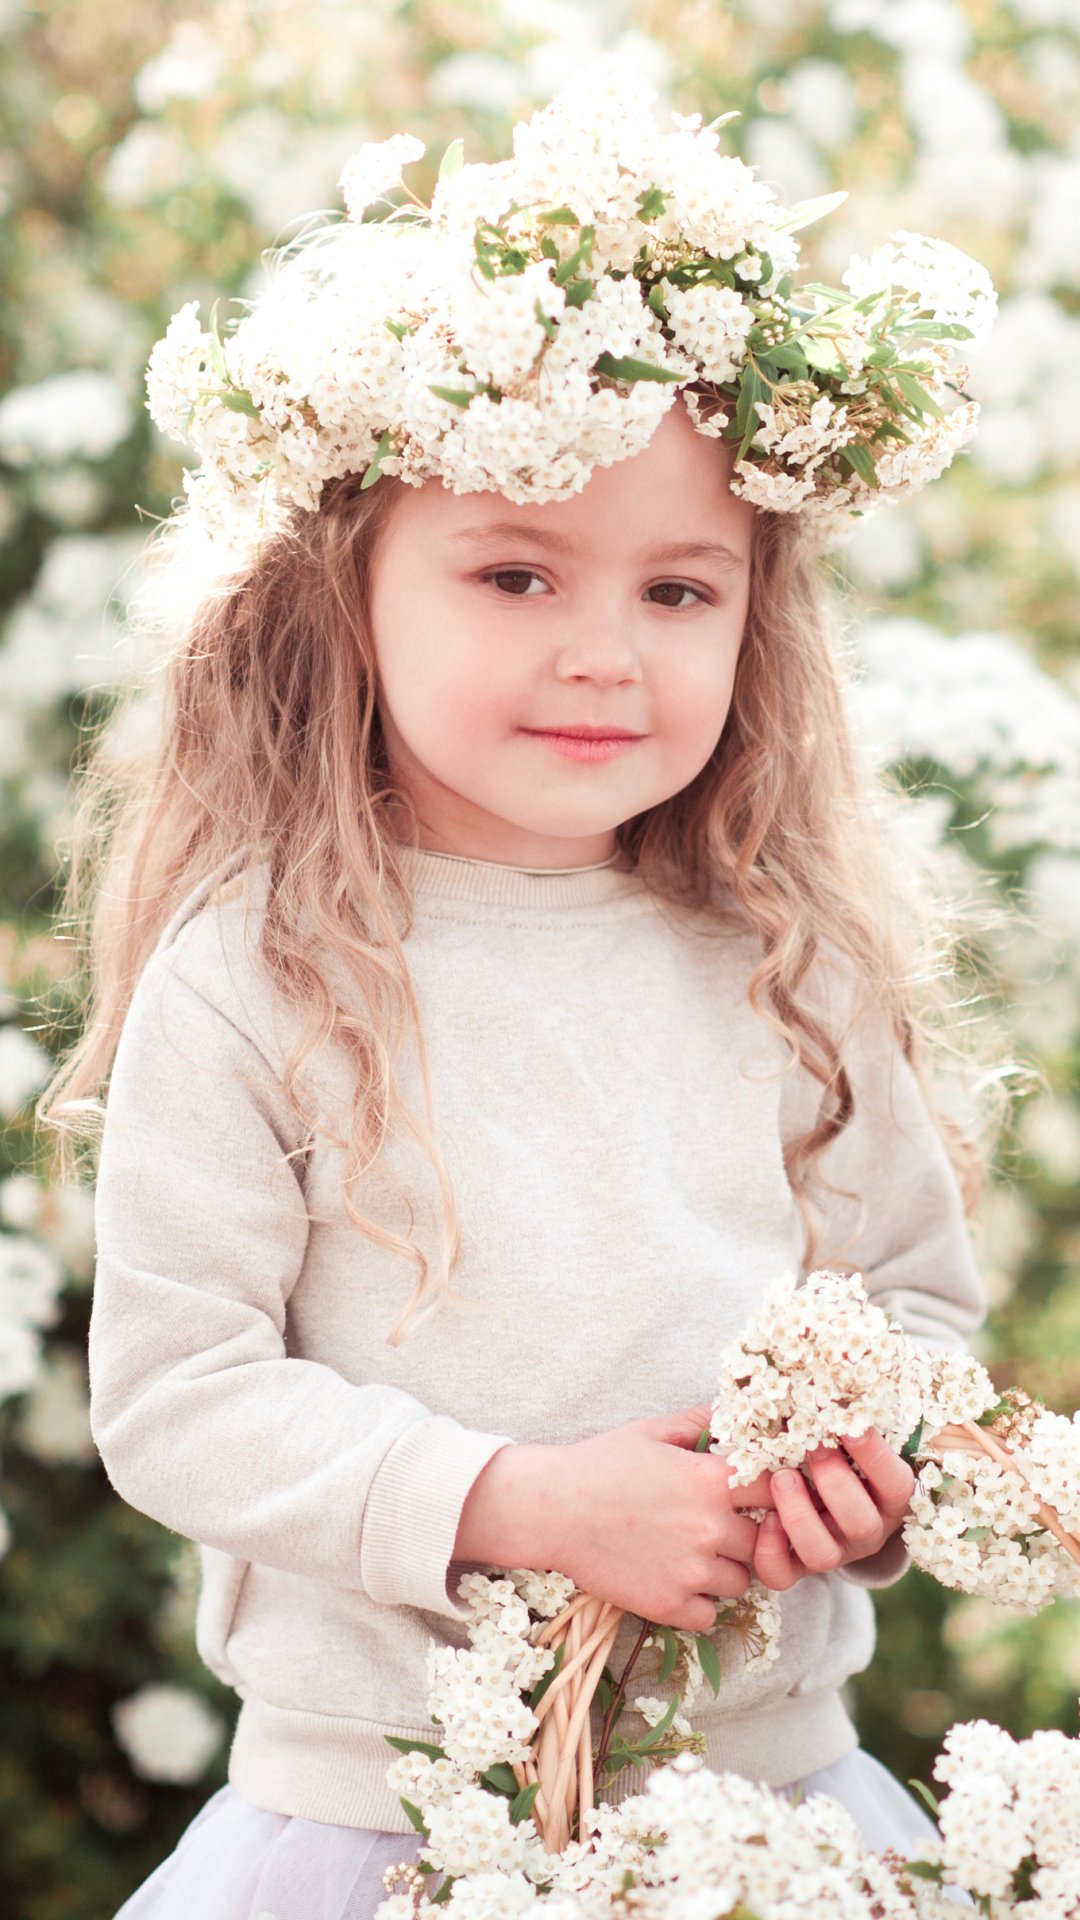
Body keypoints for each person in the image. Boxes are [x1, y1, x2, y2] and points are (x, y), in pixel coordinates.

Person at [39, 59, 997, 1920]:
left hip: (772, 1812)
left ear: (755, 616)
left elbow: (917, 1320)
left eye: (678, 592)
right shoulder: (260, 971)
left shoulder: (788, 960)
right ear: (344, 592)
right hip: (378, 1820)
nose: (602, 657)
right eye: (511, 570)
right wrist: (510, 1501)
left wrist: (871, 1478)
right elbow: (181, 1391)